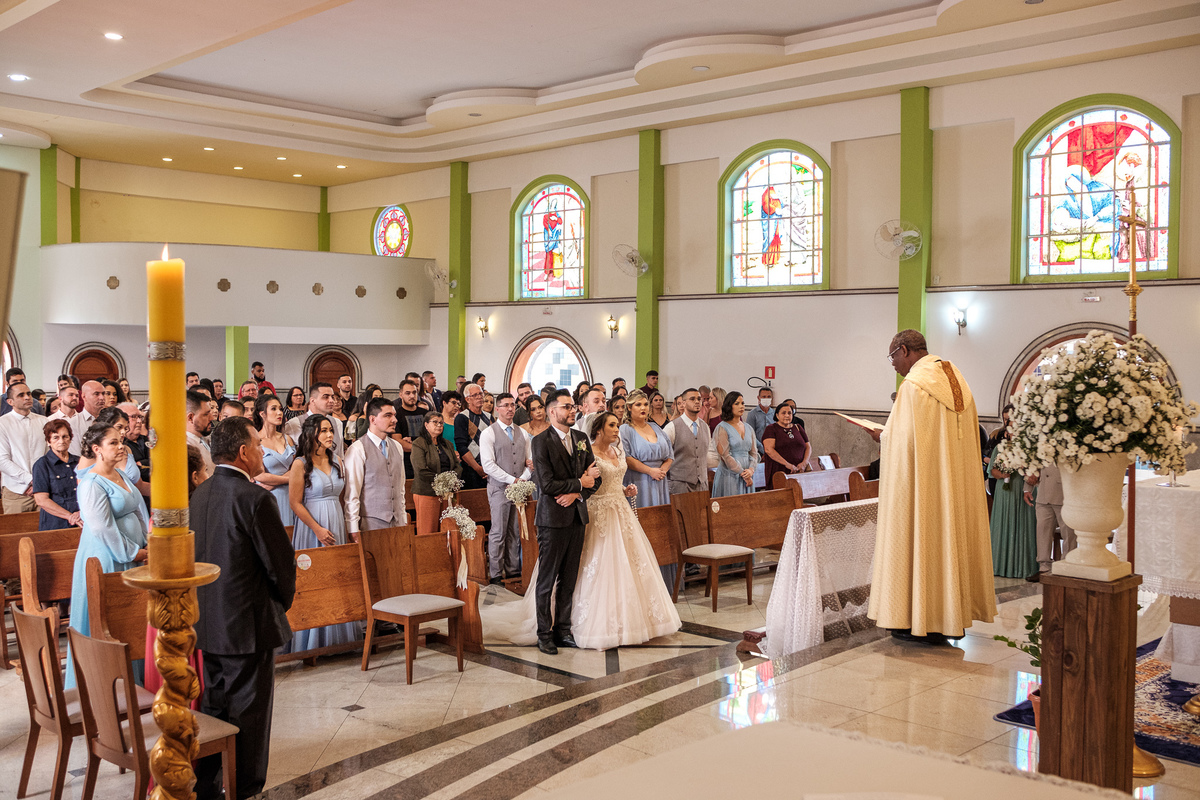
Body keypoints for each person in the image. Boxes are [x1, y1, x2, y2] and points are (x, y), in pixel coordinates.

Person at [866, 329, 995, 643]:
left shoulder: (914, 386)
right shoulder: (957, 380)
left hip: (924, 490)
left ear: (904, 350)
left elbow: (904, 443)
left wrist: (881, 436)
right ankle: (949, 617)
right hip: (953, 489)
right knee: (948, 545)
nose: (893, 364)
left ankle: (918, 620)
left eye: (892, 356)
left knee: (920, 542)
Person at [192, 417, 294, 800]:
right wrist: (279, 605)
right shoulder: (255, 498)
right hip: (248, 626)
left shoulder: (199, 493)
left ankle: (207, 786)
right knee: (249, 717)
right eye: (257, 444)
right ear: (243, 452)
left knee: (215, 708)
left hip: (209, 622)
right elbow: (280, 566)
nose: (262, 450)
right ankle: (244, 791)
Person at [64, 422, 149, 690]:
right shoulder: (91, 483)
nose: (121, 446)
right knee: (108, 621)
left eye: (121, 441)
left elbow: (136, 510)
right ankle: (101, 688)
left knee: (129, 621)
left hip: (131, 555)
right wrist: (134, 552)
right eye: (113, 442)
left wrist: (146, 542)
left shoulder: (120, 474)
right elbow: (102, 528)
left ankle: (133, 685)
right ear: (96, 449)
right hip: (107, 557)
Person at [529, 390, 600, 655]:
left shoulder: (581, 438)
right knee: (547, 580)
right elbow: (546, 484)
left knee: (569, 579)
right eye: (567, 406)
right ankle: (543, 633)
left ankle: (563, 630)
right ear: (552, 411)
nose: (572, 410)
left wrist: (578, 493)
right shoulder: (540, 441)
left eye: (573, 406)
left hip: (577, 517)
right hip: (552, 519)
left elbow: (596, 478)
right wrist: (580, 483)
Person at [286, 415, 359, 650]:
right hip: (312, 527)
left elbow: (341, 497)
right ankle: (311, 641)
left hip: (335, 520)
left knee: (337, 578)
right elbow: (295, 502)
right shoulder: (300, 464)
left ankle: (339, 638)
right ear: (311, 434)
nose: (329, 435)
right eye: (324, 431)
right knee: (314, 580)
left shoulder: (337, 460)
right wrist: (317, 529)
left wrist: (346, 528)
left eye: (330, 430)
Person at [619, 389, 675, 587]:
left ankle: (664, 579)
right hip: (639, 482)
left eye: (645, 404)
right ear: (629, 408)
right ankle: (644, 583)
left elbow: (670, 455)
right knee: (643, 528)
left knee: (661, 529)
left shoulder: (656, 427)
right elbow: (626, 458)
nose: (643, 408)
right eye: (638, 405)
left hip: (660, 484)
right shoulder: (625, 430)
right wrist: (650, 471)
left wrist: (662, 470)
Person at [480, 393, 532, 583]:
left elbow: (530, 461)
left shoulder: (522, 433)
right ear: (497, 409)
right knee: (498, 531)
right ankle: (495, 573)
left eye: (512, 405)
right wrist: (512, 480)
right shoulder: (489, 433)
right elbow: (488, 465)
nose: (510, 409)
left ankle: (513, 570)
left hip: (519, 489)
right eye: (506, 405)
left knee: (516, 531)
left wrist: (523, 478)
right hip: (499, 489)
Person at [343, 397, 406, 537]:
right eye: (388, 415)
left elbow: (400, 488)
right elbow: (352, 494)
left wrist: (403, 519)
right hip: (371, 523)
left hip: (397, 523)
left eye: (394, 415)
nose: (394, 420)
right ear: (372, 419)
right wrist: (352, 527)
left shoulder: (397, 447)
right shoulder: (358, 449)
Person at [988, 428, 1038, 580]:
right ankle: (999, 565)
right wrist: (1003, 473)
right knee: (1003, 524)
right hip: (1004, 491)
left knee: (1023, 525)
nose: (1013, 433)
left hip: (1023, 489)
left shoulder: (1030, 449)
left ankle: (1024, 567)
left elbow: (1036, 471)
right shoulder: (1000, 448)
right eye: (1011, 429)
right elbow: (992, 471)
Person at [0, 381, 48, 513]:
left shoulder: (44, 421)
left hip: (43, 489)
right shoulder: (3, 423)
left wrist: (40, 481)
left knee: (46, 527)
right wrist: (31, 480)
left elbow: (49, 455)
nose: (27, 397)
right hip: (16, 491)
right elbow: (2, 460)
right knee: (15, 527)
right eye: (21, 395)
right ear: (10, 402)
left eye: (28, 394)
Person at [411, 411, 461, 534]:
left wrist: (451, 481)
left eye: (441, 423)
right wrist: (442, 482)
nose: (439, 425)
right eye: (435, 422)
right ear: (426, 425)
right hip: (427, 492)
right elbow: (421, 470)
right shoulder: (419, 443)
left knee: (447, 529)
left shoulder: (447, 444)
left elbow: (457, 466)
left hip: (448, 493)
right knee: (428, 530)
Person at [1024, 464, 1076, 580]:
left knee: (1068, 532)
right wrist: (1027, 488)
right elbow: (1032, 462)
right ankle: (1044, 567)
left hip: (1063, 493)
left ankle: (1067, 566)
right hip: (1043, 493)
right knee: (1042, 531)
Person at [254, 394, 296, 526]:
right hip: (269, 496)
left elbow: (297, 468)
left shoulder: (287, 438)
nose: (279, 413)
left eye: (280, 409)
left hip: (292, 493)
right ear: (262, 414)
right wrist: (291, 478)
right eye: (273, 409)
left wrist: (274, 483)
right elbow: (259, 476)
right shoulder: (255, 440)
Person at [31, 419, 80, 530]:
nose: (61, 441)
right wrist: (70, 516)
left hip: (82, 519)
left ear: (70, 439)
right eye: (56, 437)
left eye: (65, 437)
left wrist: (80, 513)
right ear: (48, 441)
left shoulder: (79, 462)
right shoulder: (41, 465)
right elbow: (41, 500)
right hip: (56, 524)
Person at [712, 391, 758, 498]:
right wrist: (742, 473)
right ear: (729, 406)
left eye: (742, 403)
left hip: (748, 473)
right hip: (730, 475)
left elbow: (754, 453)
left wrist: (751, 470)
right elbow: (725, 455)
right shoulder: (722, 427)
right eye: (737, 403)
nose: (741, 406)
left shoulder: (748, 428)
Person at [283, 382, 344, 462]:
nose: (331, 400)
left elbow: (340, 455)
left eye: (332, 397)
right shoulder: (293, 424)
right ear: (312, 401)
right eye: (326, 397)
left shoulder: (337, 423)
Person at [664, 388, 709, 495]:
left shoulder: (705, 427)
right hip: (679, 484)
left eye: (699, 399)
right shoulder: (672, 427)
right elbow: (663, 456)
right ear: (683, 403)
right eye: (692, 399)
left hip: (702, 484)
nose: (697, 402)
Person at [762, 402, 810, 488]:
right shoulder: (771, 429)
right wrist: (787, 464)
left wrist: (804, 463)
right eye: (783, 413)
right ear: (777, 415)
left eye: (789, 413)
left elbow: (808, 447)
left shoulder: (798, 427)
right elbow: (769, 450)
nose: (787, 415)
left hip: (799, 471)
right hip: (779, 471)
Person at [455, 383, 492, 491]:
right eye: (475, 395)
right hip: (471, 470)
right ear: (467, 399)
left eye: (481, 394)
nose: (479, 397)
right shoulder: (462, 417)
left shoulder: (489, 417)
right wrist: (478, 468)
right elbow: (461, 447)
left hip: (490, 467)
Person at [392, 378, 427, 477]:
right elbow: (398, 443)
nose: (412, 396)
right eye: (408, 393)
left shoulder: (426, 414)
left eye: (414, 392)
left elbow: (433, 439)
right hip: (406, 464)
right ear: (401, 395)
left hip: (426, 461)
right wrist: (423, 448)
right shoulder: (396, 415)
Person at [186, 389, 216, 475]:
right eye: (206, 414)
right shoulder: (186, 448)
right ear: (191, 418)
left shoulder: (203, 439)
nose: (212, 418)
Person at [744, 386, 775, 462]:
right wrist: (762, 449)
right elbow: (750, 434)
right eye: (764, 397)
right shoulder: (752, 414)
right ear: (758, 398)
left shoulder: (775, 413)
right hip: (757, 451)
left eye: (769, 397)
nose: (766, 399)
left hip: (773, 451)